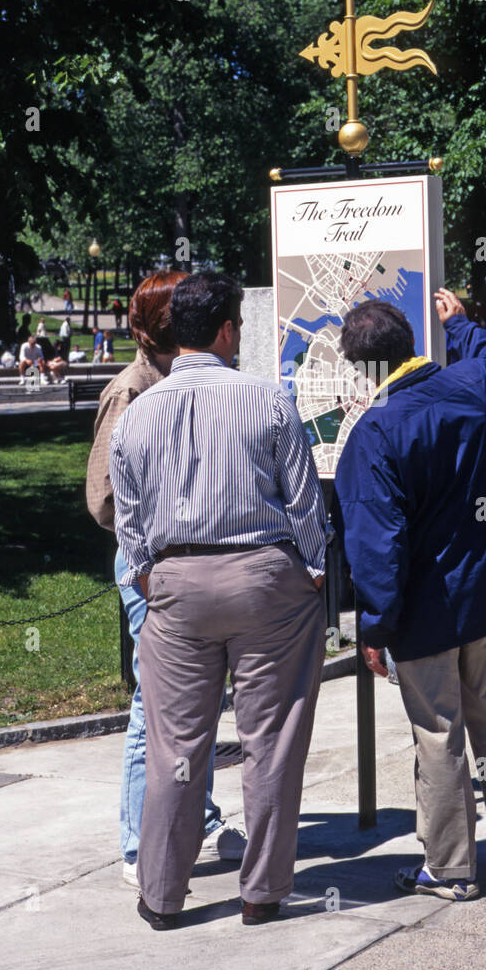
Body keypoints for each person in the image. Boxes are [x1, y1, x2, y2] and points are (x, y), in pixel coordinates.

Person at [109, 271, 327, 929]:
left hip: (176, 584)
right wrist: (314, 572)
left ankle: (161, 894)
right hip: (267, 582)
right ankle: (262, 891)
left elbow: (128, 519)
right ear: (229, 330)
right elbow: (305, 504)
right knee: (272, 742)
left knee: (175, 747)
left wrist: (149, 578)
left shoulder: (137, 412)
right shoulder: (268, 400)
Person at [333, 290, 486, 901]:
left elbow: (377, 545)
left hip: (428, 611)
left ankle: (450, 868)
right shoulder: (471, 387)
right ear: (410, 342)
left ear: (362, 368)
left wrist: (376, 626)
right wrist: (462, 325)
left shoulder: (375, 432)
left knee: (438, 735)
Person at [87, 271, 245, 889]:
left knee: (195, 698)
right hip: (149, 563)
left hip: (186, 564)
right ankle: (137, 843)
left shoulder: (181, 380)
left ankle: (198, 816)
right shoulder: (131, 391)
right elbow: (103, 499)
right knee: (153, 703)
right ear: (164, 322)